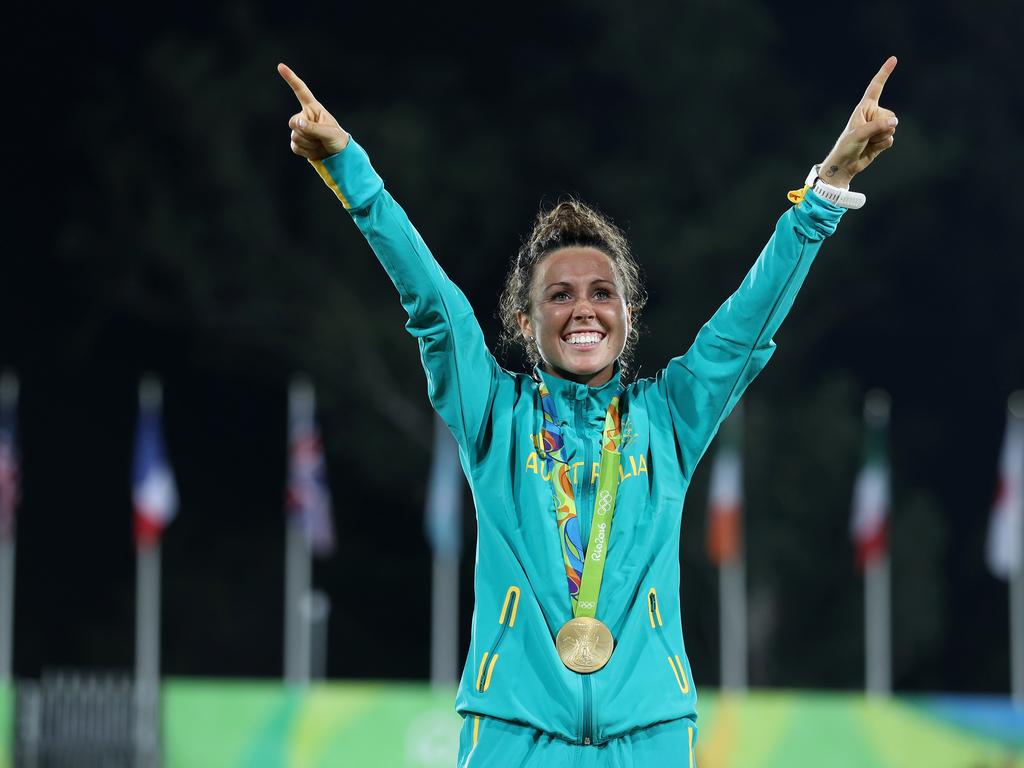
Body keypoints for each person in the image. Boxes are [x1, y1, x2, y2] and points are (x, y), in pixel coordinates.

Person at [278, 56, 898, 767]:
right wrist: (350, 172)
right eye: (559, 294)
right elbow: (435, 307)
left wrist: (826, 191)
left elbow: (743, 327)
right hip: (514, 737)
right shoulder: (494, 420)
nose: (583, 309)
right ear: (522, 320)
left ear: (629, 316)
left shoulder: (669, 418)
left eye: (602, 293)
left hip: (650, 739)